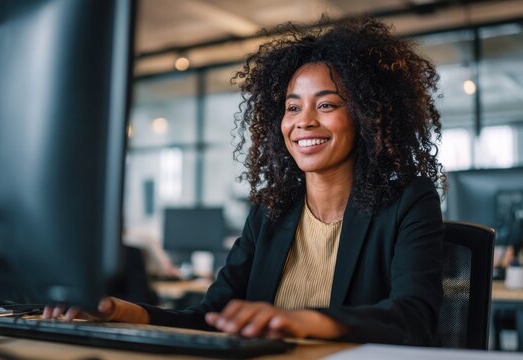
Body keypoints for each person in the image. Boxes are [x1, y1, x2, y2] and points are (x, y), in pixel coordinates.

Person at [43, 15, 446, 345]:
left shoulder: (409, 201)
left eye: (326, 105)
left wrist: (301, 322)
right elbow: (210, 317)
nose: (304, 121)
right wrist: (128, 313)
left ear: (367, 116)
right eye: (292, 107)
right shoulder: (270, 214)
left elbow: (413, 318)